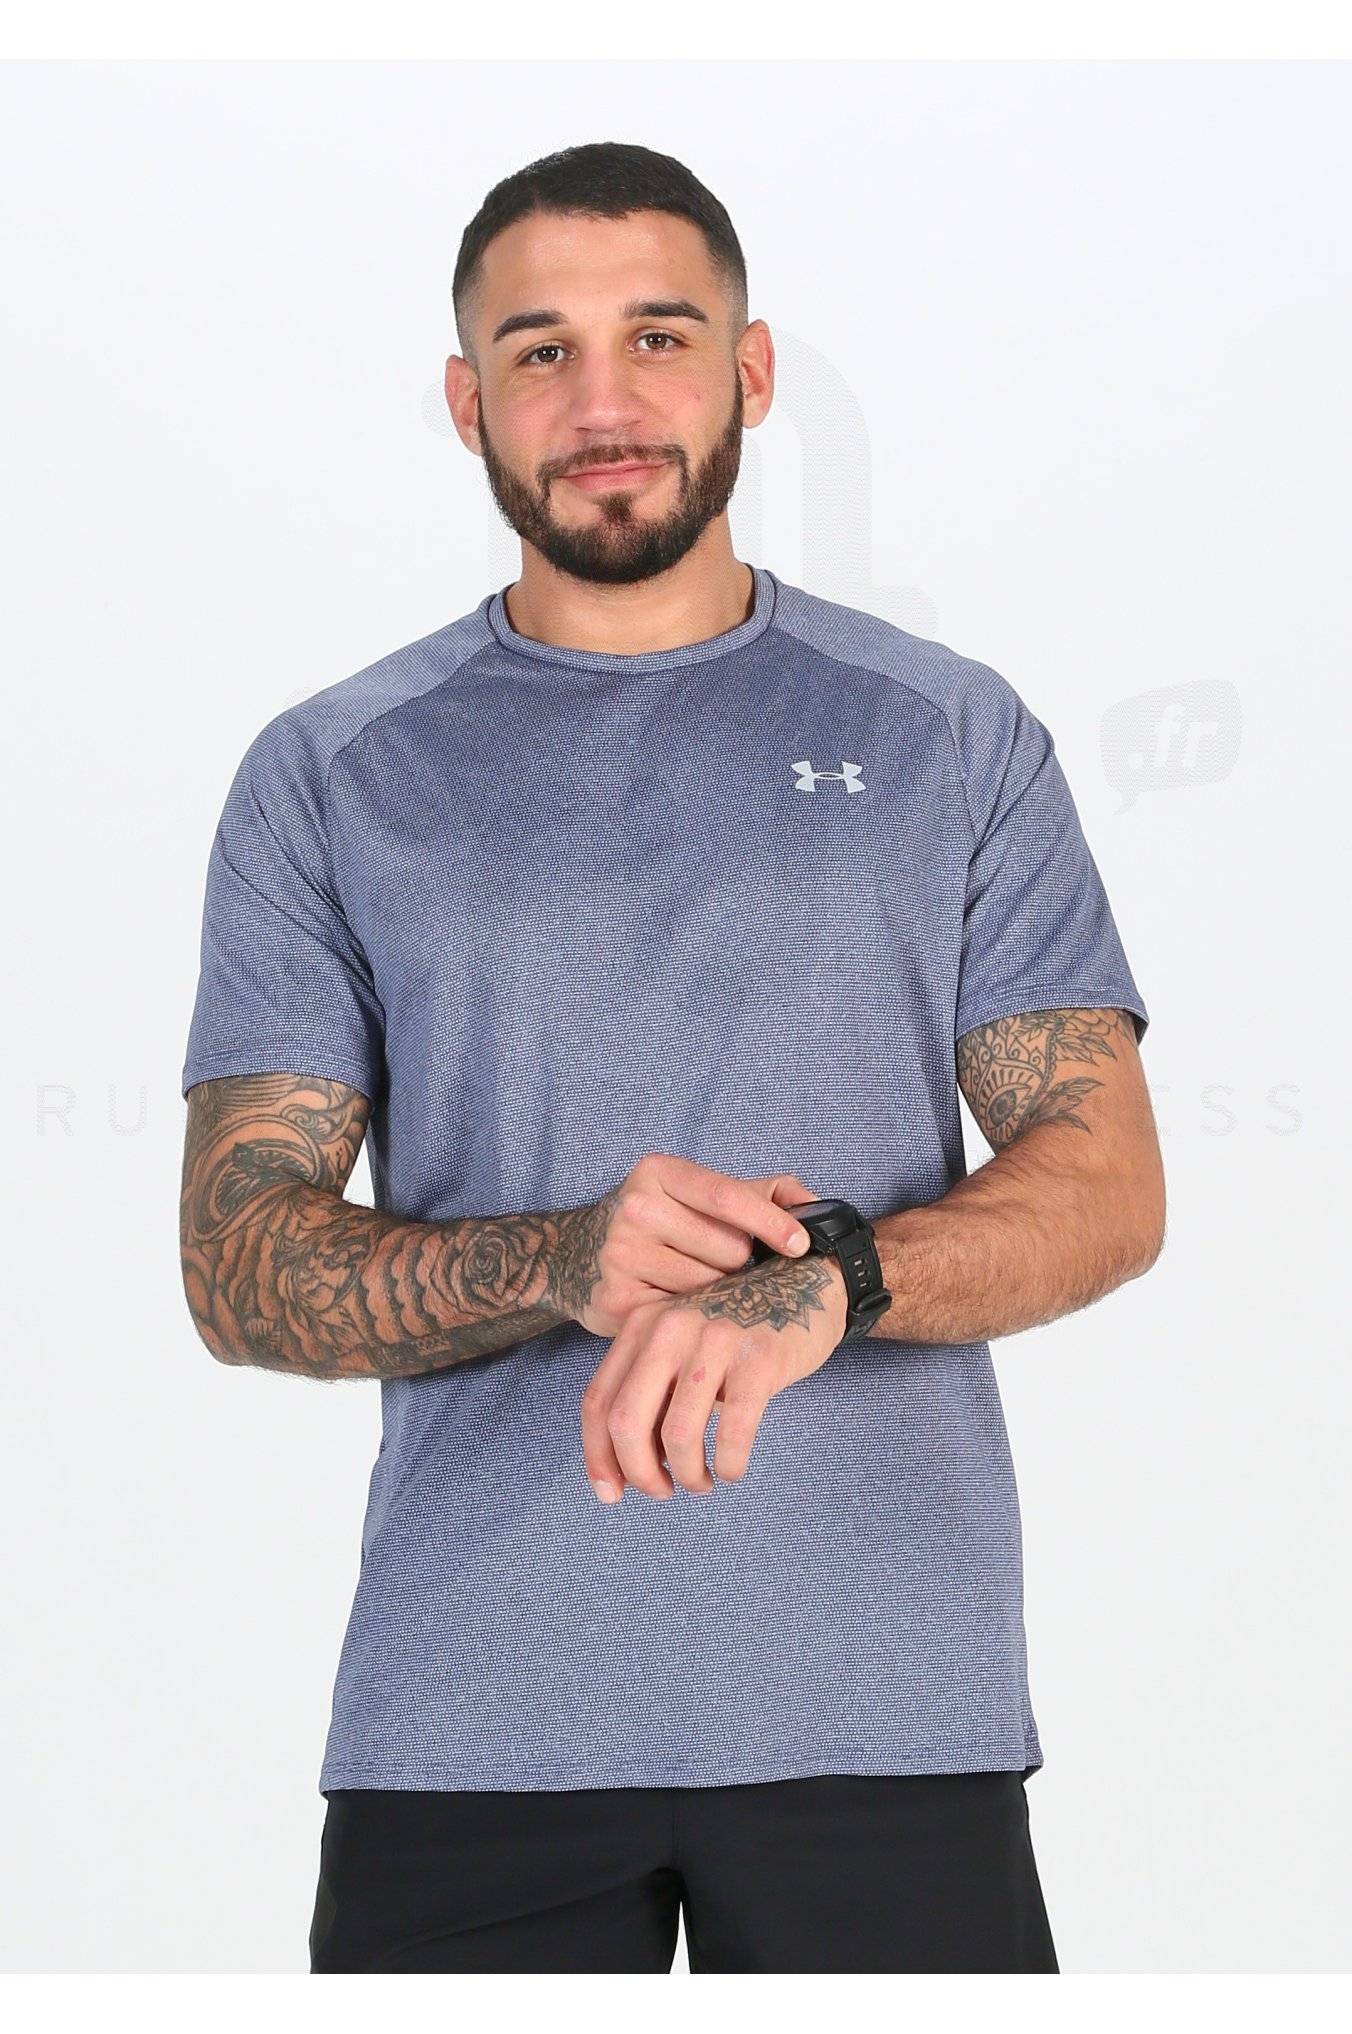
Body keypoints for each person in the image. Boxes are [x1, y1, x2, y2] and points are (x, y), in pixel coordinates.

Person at [178, 140, 1165, 1974]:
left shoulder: (945, 732)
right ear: (468, 402)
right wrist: (559, 1256)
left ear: (752, 371)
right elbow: (236, 1263)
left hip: (887, 1707)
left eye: (659, 336)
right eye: (540, 350)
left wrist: (825, 1284)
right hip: (470, 1722)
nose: (604, 402)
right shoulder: (329, 771)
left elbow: (1107, 1182)